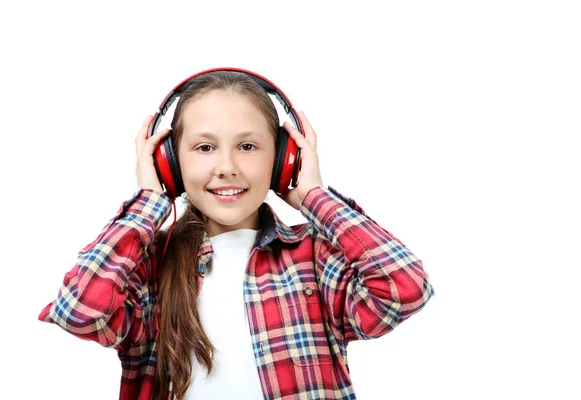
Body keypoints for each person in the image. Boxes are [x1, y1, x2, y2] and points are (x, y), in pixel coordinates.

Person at [38, 69, 434, 400]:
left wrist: (314, 197)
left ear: (283, 158)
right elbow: (80, 312)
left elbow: (404, 288)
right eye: (205, 147)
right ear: (170, 163)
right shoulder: (146, 268)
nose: (226, 166)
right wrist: (149, 202)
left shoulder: (314, 257)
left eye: (247, 146)